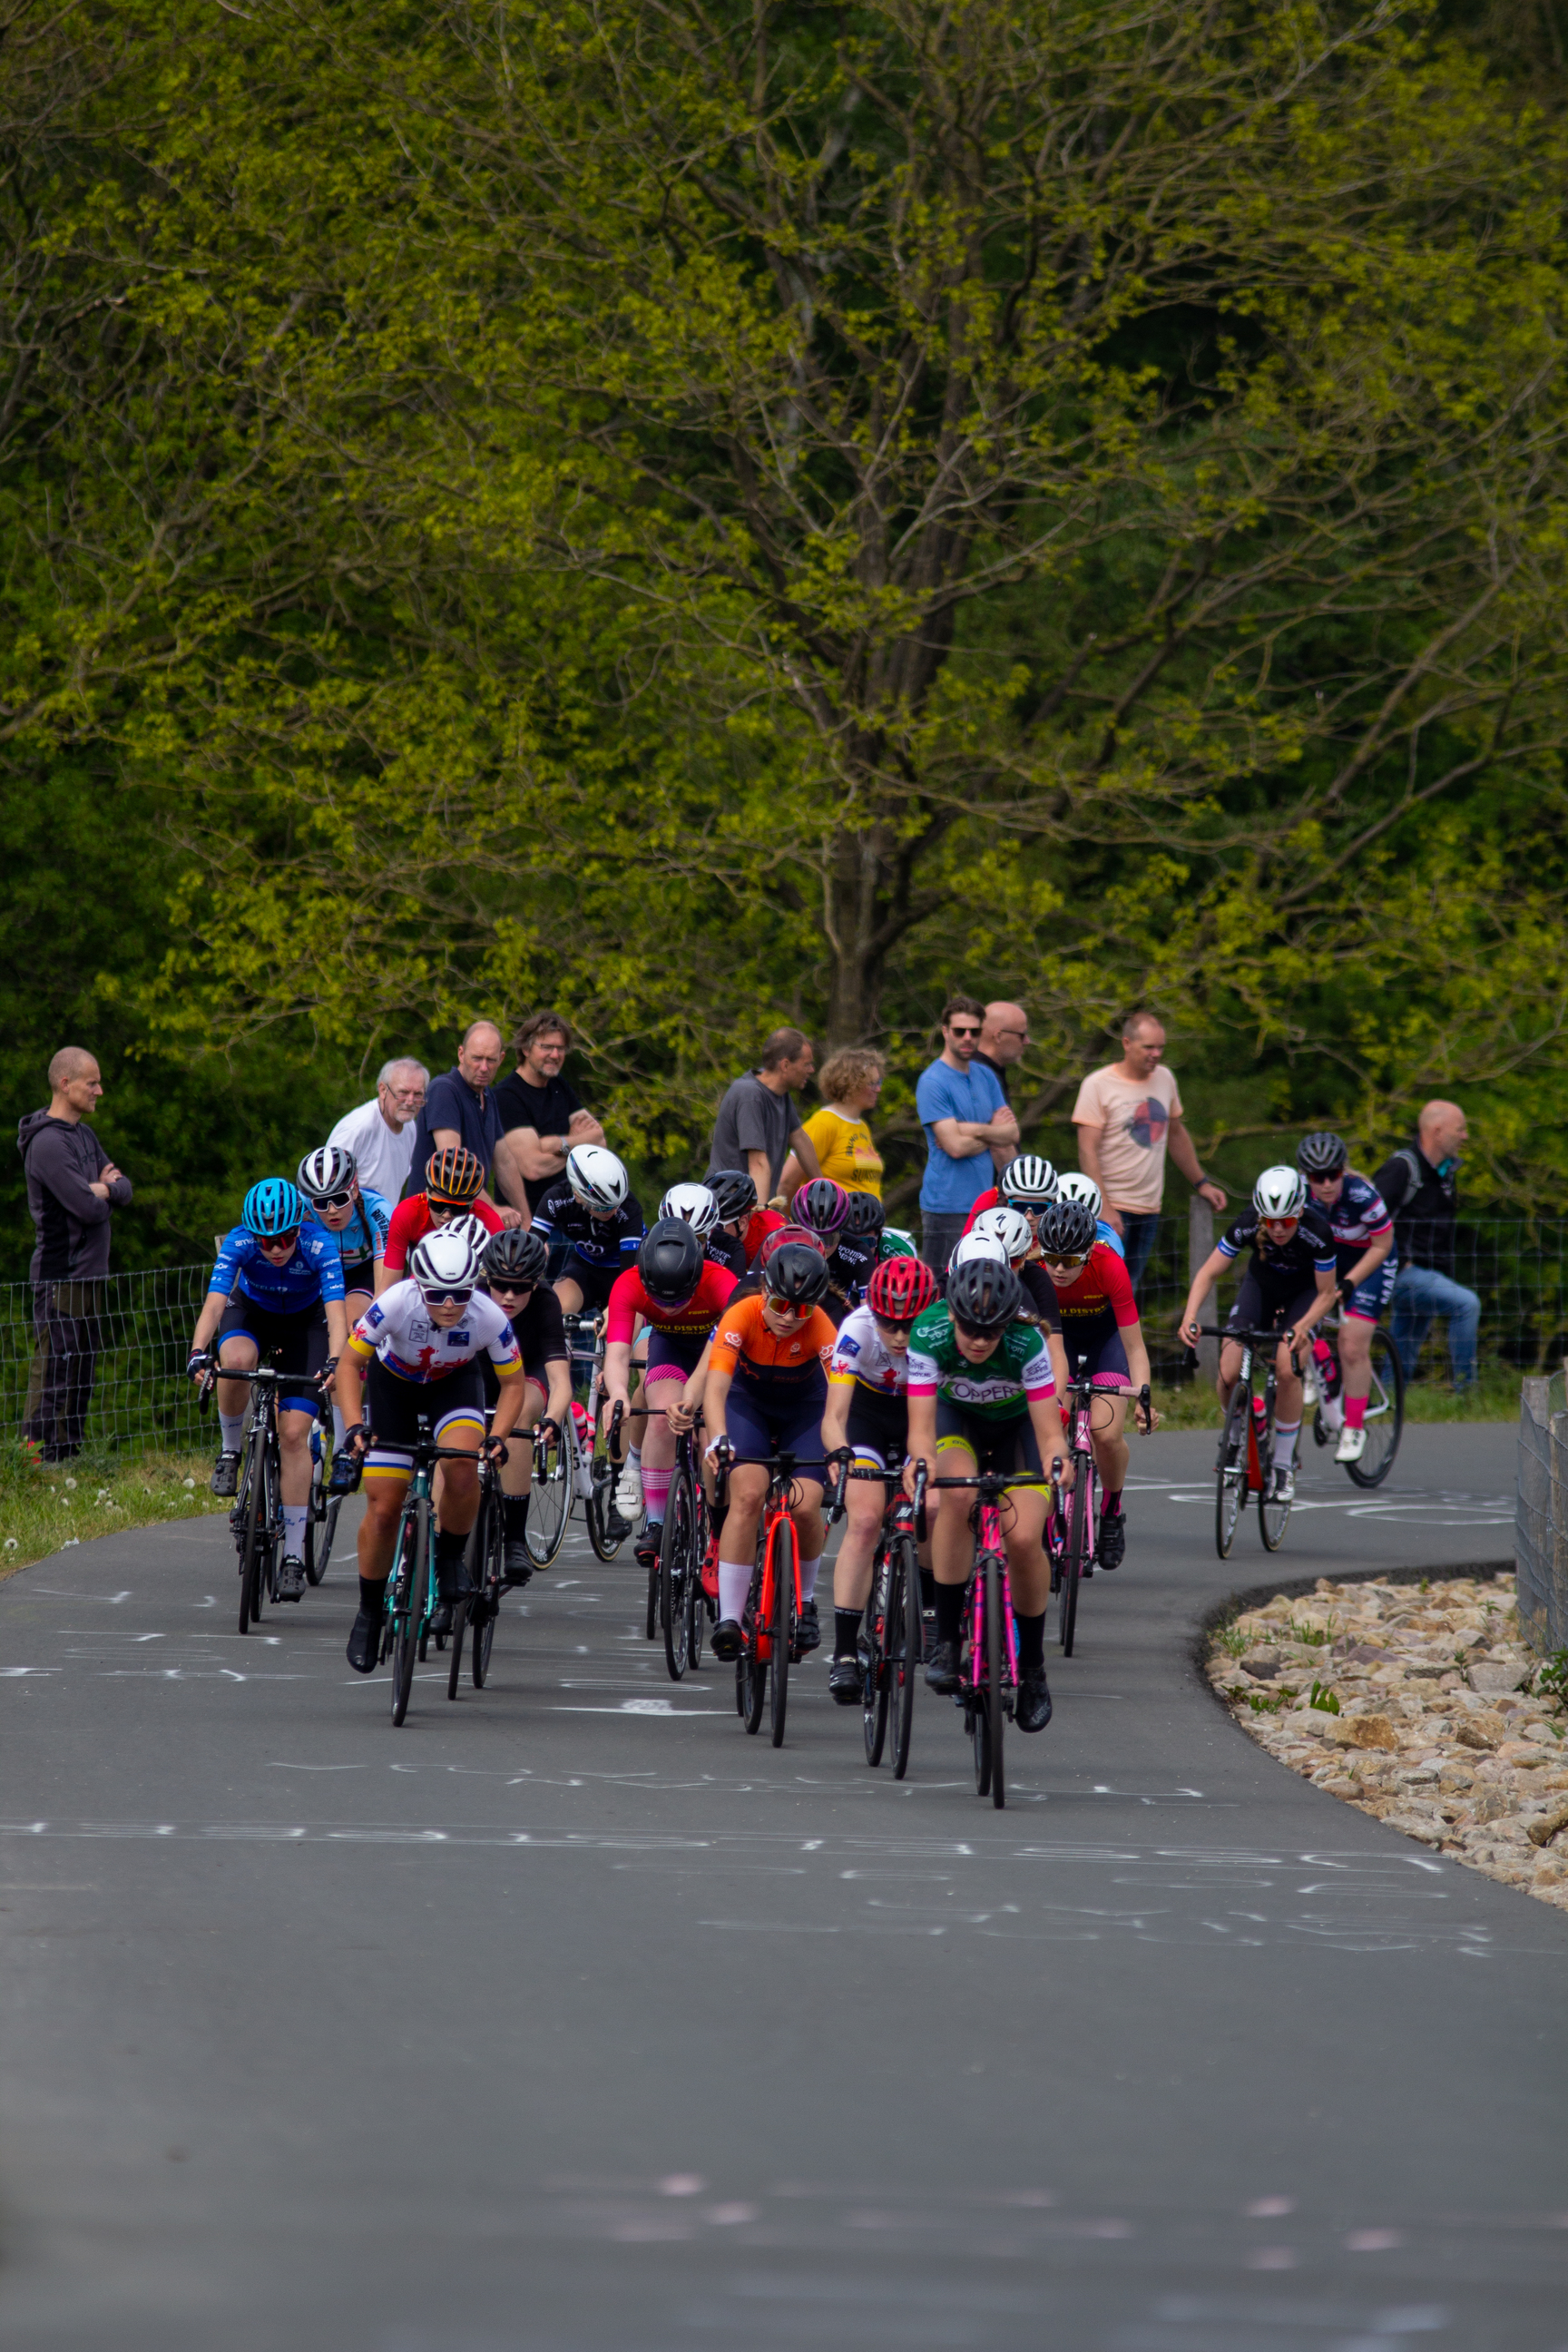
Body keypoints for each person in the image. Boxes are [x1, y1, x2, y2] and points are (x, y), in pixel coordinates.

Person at [334, 1227, 524, 1668]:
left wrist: (499, 1435)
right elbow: (349, 1363)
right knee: (383, 1508)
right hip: (394, 1388)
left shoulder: (488, 1315)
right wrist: (355, 1425)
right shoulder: (396, 1302)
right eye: (437, 1295)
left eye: (459, 1294)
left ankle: (451, 1557)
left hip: (453, 1386)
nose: (450, 1306)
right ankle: (368, 1613)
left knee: (461, 1467)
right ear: (420, 1285)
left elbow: (513, 1383)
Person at [903, 1254, 1071, 1733]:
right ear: (952, 1314)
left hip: (1018, 1428)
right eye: (970, 1329)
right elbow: (919, 1429)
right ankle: (948, 1642)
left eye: (990, 1332)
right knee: (956, 1497)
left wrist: (1059, 1461)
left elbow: (1049, 1433)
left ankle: (1034, 1668)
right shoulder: (929, 1332)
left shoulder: (1027, 1341)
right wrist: (921, 1462)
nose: (979, 1341)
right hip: (959, 1423)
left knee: (1022, 1540)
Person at [187, 1179, 350, 1596]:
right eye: (266, 1241)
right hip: (254, 1313)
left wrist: (335, 1360)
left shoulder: (319, 1245)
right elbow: (215, 1304)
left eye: (285, 1238)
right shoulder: (239, 1244)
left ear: (300, 1227)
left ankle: (293, 1555)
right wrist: (197, 1352)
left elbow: (336, 1315)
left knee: (294, 1434)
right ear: (251, 1235)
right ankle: (230, 1450)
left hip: (306, 1325)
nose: (276, 1249)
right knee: (235, 1364)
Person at [703, 1241, 838, 1661]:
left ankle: (808, 1600)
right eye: (779, 1304)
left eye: (800, 1310)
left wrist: (841, 1449)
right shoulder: (740, 1314)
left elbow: (841, 1398)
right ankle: (729, 1617)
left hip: (805, 1411)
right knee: (746, 1494)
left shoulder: (822, 1328)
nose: (786, 1318)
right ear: (764, 1290)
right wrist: (719, 1437)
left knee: (805, 1505)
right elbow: (716, 1389)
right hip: (749, 1405)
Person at [1177, 1165, 1339, 1505]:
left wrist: (1302, 1326)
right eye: (1270, 1221)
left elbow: (1327, 1295)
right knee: (1228, 1371)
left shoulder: (1318, 1232)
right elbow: (1208, 1272)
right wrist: (1190, 1316)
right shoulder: (1249, 1222)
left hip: (1305, 1298)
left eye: (1286, 1222)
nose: (1278, 1229)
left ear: (1299, 1212)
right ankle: (1237, 1436)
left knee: (1287, 1368)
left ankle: (1282, 1464)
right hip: (1261, 1289)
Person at [820, 1253, 938, 1703]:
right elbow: (834, 1415)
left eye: (910, 1325)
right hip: (868, 1417)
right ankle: (845, 1653)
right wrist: (840, 1451)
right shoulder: (857, 1328)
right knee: (866, 1520)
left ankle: (928, 1604)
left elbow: (944, 1419)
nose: (900, 1336)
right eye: (890, 1324)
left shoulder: (942, 1332)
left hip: (919, 1419)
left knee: (930, 1503)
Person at [603, 1220, 740, 1579]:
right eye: (661, 1299)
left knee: (711, 1435)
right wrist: (617, 1393)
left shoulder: (722, 1282)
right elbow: (617, 1355)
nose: (672, 1307)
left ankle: (718, 1528)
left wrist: (696, 1399)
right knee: (662, 1417)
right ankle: (657, 1523)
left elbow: (723, 1355)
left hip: (716, 1354)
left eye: (681, 1297)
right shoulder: (628, 1283)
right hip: (669, 1347)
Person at [18, 1048, 132, 1461]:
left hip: (90, 1277)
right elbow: (87, 1208)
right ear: (65, 1084)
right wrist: (102, 1193)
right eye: (92, 1082)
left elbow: (124, 1188)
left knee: (81, 1374)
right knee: (54, 1372)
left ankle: (69, 1459)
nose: (99, 1090)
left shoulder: (84, 1135)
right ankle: (33, 1461)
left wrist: (106, 1189)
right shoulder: (47, 1143)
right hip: (60, 1277)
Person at [1034, 1197, 1155, 1570]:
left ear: (1088, 1253)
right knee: (1051, 1422)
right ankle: (1047, 1516)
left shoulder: (1109, 1267)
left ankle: (1112, 1510)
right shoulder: (1035, 1268)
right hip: (1060, 1341)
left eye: (1069, 1261)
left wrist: (1143, 1398)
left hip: (1106, 1341)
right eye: (1051, 1257)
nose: (1057, 1269)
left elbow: (1134, 1347)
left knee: (1105, 1433)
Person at [1072, 1013, 1227, 1293]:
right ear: (1127, 1043)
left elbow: (1176, 1134)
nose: (1156, 1054)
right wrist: (1104, 1206)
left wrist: (1201, 1183)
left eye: (1161, 1048)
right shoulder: (1098, 1084)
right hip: (1110, 1207)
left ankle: (1122, 1339)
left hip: (1149, 1207)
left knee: (1129, 1291)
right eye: (1149, 1048)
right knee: (1097, 1290)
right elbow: (1087, 1150)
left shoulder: (1165, 1079)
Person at [475, 1226, 573, 1581]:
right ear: (487, 1279)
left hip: (528, 1370)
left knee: (519, 1413)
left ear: (536, 1284)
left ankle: (514, 1538)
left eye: (521, 1287)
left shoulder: (546, 1302)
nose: (509, 1296)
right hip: (480, 1370)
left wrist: (552, 1420)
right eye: (500, 1285)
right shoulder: (472, 1296)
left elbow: (561, 1383)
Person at [1296, 1132, 1397, 1463]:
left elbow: (1382, 1245)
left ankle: (1354, 1427)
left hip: (1371, 1261)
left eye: (1333, 1175)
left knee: (1352, 1343)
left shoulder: (1362, 1196)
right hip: (1329, 1259)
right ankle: (1319, 1362)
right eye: (1317, 1177)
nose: (1326, 1184)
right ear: (1305, 1177)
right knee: (1297, 1314)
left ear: (1344, 1171)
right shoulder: (1299, 1194)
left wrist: (1351, 1283)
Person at [1375, 1101, 1478, 1390]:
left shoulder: (1445, 1173)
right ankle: (1466, 1392)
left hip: (1431, 1274)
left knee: (1404, 1347)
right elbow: (1369, 1216)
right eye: (1460, 1129)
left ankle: (1391, 1399)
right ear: (1437, 1131)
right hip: (1405, 1274)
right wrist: (1398, 1260)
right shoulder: (1402, 1168)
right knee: (1467, 1305)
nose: (1465, 1136)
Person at [915, 995, 1019, 1274]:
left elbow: (1012, 1133)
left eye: (974, 1031)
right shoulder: (932, 1081)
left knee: (982, 1287)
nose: (967, 1038)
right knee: (942, 1288)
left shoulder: (987, 1076)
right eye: (960, 1031)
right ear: (946, 1031)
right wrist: (992, 1133)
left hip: (987, 1202)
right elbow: (955, 1147)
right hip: (945, 1205)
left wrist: (969, 1129)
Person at [297, 1145, 392, 1444]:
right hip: (320, 1274)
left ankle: (342, 1447)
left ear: (355, 1189)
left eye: (339, 1199)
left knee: (350, 1331)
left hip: (360, 1277)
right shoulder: (300, 1208)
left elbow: (383, 1288)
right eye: (321, 1203)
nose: (331, 1211)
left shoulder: (377, 1211)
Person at [491, 1011, 607, 1218]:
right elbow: (533, 1167)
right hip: (530, 1224)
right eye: (546, 1047)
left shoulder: (558, 1085)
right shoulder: (507, 1096)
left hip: (572, 1221)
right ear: (526, 1049)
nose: (555, 1055)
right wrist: (577, 1148)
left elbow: (599, 1141)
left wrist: (554, 1144)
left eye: (560, 1048)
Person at [401, 1021, 518, 1219]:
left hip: (463, 1219)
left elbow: (505, 1163)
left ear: (502, 1058)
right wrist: (494, 1210)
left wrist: (526, 1219)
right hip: (429, 1220)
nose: (483, 1067)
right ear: (461, 1054)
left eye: (491, 1060)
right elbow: (453, 1168)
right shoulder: (444, 1090)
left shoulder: (488, 1095)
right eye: (477, 1058)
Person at [707, 1028, 822, 1206]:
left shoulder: (780, 1094)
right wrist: (759, 1217)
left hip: (749, 1205)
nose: (812, 1070)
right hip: (728, 1207)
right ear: (785, 1065)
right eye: (806, 1064)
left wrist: (825, 1189)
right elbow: (758, 1163)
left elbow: (800, 1140)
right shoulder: (750, 1095)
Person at [534, 1146, 645, 1316]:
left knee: (623, 1316)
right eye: (604, 1207)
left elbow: (629, 1274)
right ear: (578, 1195)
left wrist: (617, 1308)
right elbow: (529, 1248)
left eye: (616, 1205)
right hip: (585, 1266)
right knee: (551, 1312)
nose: (613, 1212)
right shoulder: (556, 1199)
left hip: (624, 1269)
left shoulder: (630, 1209)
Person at [379, 1148, 505, 1288]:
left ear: (472, 1204)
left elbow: (497, 1292)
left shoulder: (489, 1222)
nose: (446, 1215)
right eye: (439, 1205)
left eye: (458, 1209)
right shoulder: (407, 1213)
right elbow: (387, 1289)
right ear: (427, 1194)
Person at [781, 1047, 884, 1201]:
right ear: (851, 1084)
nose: (879, 1089)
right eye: (872, 1083)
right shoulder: (824, 1123)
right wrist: (788, 1222)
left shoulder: (862, 1126)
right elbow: (787, 1182)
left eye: (879, 1082)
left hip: (868, 1223)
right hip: (834, 1223)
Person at [326, 1060, 430, 1205]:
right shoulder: (358, 1128)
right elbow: (325, 1184)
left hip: (383, 1222)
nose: (411, 1101)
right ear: (383, 1090)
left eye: (418, 1094)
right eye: (403, 1092)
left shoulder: (410, 1127)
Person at [704, 1169, 785, 1278]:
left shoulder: (772, 1242)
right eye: (707, 1223)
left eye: (718, 1226)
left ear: (742, 1223)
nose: (710, 1233)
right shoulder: (732, 1231)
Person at [975, 1002, 1031, 1100]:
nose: (1027, 1041)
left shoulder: (991, 1072)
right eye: (1021, 1035)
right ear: (998, 1036)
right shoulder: (973, 1076)